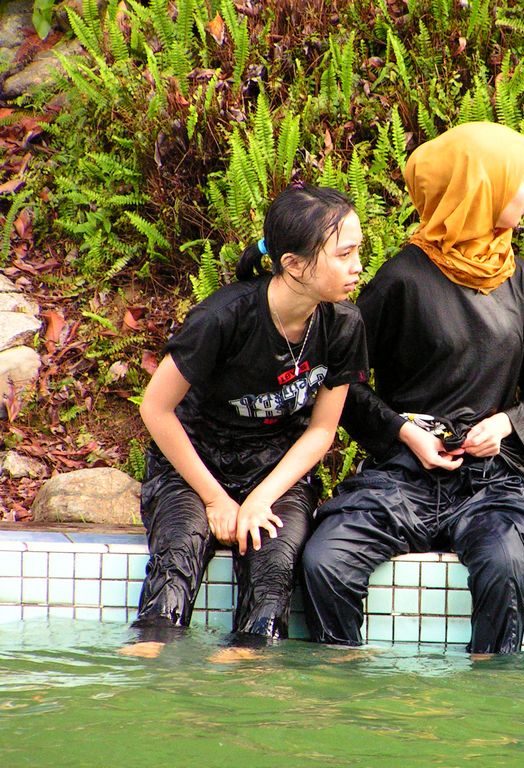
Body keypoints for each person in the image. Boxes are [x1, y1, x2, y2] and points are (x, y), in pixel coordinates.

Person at [302, 122, 524, 655]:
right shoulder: (402, 278)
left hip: (493, 481)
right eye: (519, 180)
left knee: (505, 563)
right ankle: (345, 694)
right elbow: (342, 385)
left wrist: (507, 425)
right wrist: (403, 432)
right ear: (481, 190)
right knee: (325, 559)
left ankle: (488, 708)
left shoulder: (523, 281)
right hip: (403, 479)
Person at [124, 185, 367, 658]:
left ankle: (243, 692)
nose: (358, 265)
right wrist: (215, 498)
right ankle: (149, 685)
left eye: (358, 251)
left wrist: (260, 497)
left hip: (275, 472)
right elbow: (155, 408)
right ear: (294, 265)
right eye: (345, 254)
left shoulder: (343, 325)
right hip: (193, 469)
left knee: (274, 575)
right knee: (177, 558)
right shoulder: (223, 317)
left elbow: (321, 431)